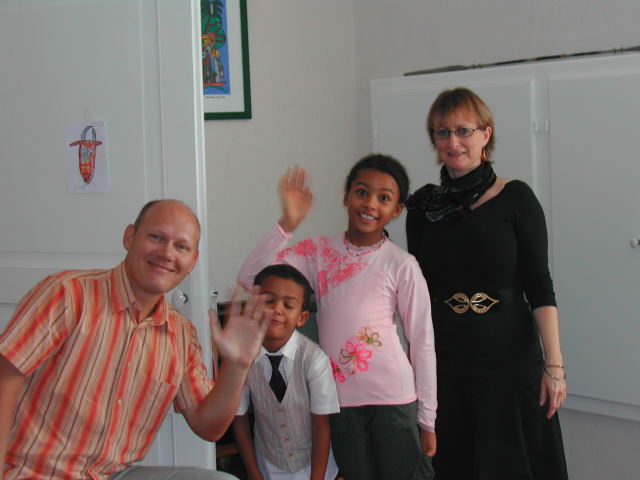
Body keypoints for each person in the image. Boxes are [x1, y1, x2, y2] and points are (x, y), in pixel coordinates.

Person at [0, 199, 273, 480]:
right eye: (156, 237)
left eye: (181, 246)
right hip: (35, 472)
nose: (167, 253)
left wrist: (236, 365)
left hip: (113, 475)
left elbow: (209, 427)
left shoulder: (180, 334)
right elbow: (4, 378)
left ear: (192, 261)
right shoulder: (68, 294)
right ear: (129, 237)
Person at [237, 155, 436, 480]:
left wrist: (427, 419)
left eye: (384, 198)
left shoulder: (401, 264)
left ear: (397, 210)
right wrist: (287, 223)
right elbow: (251, 279)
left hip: (394, 401)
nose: (370, 204)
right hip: (339, 403)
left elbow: (422, 342)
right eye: (362, 192)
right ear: (346, 196)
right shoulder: (317, 252)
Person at [405, 87, 568, 479]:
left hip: (510, 361)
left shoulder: (516, 198)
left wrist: (555, 365)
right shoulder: (422, 207)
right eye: (443, 132)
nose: (453, 142)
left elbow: (540, 285)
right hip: (447, 360)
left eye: (463, 130)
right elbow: (418, 292)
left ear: (485, 134)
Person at [232, 264, 340, 480]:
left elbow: (321, 426)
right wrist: (254, 474)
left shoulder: (314, 360)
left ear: (302, 317)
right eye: (268, 301)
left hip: (315, 467)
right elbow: (239, 419)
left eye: (288, 305)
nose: (277, 310)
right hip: (268, 466)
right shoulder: (241, 359)